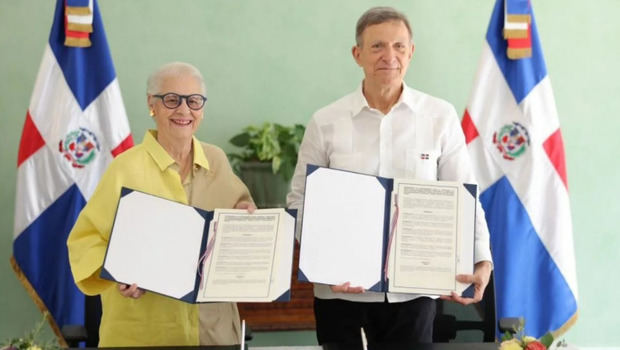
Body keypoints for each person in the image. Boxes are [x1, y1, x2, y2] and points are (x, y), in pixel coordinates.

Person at [287, 7, 493, 345]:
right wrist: (325, 262)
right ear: (358, 54)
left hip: (413, 293)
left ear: (411, 52)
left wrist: (481, 258)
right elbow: (299, 201)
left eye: (399, 46)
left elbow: (465, 197)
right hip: (341, 293)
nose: (389, 56)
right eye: (377, 46)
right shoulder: (326, 121)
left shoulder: (439, 116)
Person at [67, 62, 255, 347]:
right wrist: (118, 272)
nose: (183, 110)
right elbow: (85, 241)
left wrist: (247, 218)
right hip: (143, 333)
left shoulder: (216, 160)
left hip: (213, 331)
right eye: (171, 100)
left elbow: (242, 211)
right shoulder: (125, 168)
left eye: (193, 101)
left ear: (202, 109)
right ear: (151, 105)